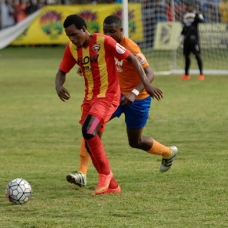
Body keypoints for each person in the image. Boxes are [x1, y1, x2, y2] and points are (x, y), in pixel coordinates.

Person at [66, 15, 178, 189]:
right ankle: (82, 172)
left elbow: (150, 74)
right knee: (90, 128)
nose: (109, 35)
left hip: (138, 99)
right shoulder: (103, 44)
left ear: (121, 31)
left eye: (113, 31)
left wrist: (134, 93)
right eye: (106, 31)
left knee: (135, 141)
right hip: (114, 97)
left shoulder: (130, 46)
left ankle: (168, 152)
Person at [180, 3, 204, 80]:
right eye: (188, 6)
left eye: (191, 6)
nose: (189, 7)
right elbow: (185, 26)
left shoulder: (196, 15)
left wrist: (197, 16)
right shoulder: (185, 16)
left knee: (197, 55)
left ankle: (201, 74)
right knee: (186, 56)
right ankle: (186, 74)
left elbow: (201, 21)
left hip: (194, 39)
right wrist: (182, 33)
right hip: (186, 39)